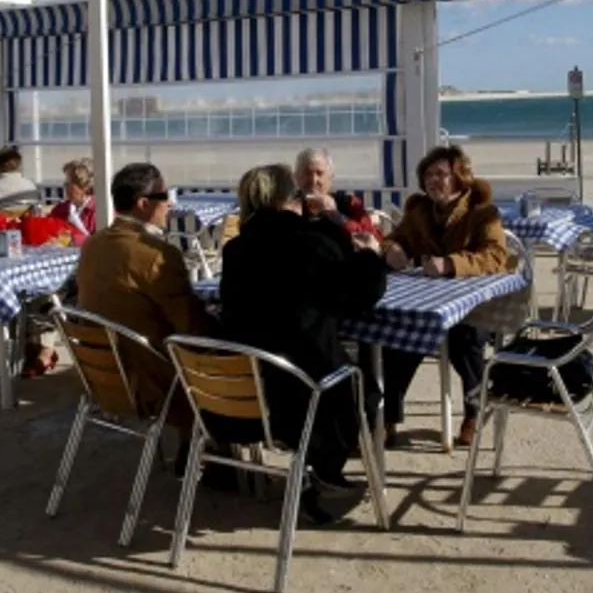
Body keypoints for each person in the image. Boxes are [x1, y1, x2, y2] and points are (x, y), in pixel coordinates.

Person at [218, 163, 387, 524]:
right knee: (365, 389)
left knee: (332, 366)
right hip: (303, 390)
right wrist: (370, 253)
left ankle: (318, 469)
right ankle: (324, 469)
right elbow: (360, 295)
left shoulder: (235, 251)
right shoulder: (309, 244)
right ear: (288, 200)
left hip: (247, 390)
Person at [76, 163, 218, 470]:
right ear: (144, 203)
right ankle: (210, 453)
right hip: (152, 380)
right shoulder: (156, 255)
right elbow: (192, 327)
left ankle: (191, 447)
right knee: (223, 354)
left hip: (105, 374)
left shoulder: (92, 245)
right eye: (164, 196)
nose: (170, 203)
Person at [372, 145, 509, 448]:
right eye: (429, 175)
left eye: (442, 174)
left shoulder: (482, 210)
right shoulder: (419, 211)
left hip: (473, 304)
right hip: (427, 304)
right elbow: (398, 239)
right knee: (397, 336)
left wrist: (450, 264)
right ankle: (389, 417)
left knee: (467, 337)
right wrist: (392, 249)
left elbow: (496, 256)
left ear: (459, 177)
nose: (435, 181)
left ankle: (474, 410)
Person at [294, 147, 381, 239]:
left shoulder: (348, 203)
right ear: (296, 177)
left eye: (319, 173)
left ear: (330, 177)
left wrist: (337, 216)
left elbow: (374, 239)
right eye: (307, 173)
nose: (313, 180)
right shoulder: (287, 204)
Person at [48, 158, 96, 245]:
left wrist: (74, 240)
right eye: (65, 184)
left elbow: (102, 242)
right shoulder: (60, 209)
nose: (65, 187)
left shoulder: (100, 210)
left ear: (85, 186)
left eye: (69, 183)